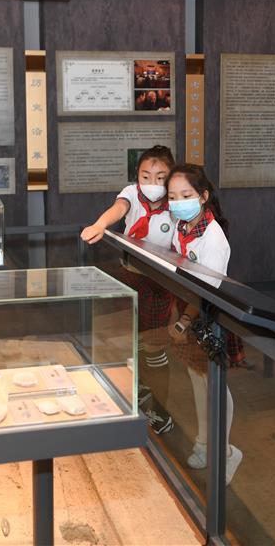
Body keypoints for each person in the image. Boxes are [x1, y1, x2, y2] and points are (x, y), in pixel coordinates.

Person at [81, 145, 177, 435]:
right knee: (134, 339)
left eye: (160, 177)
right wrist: (100, 224)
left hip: (159, 282)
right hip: (130, 275)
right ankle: (138, 390)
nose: (152, 183)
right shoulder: (132, 193)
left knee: (155, 346)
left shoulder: (176, 201)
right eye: (145, 176)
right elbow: (119, 208)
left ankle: (161, 409)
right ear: (137, 176)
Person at [165, 163, 241, 481]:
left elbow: (206, 291)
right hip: (186, 309)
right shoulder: (180, 226)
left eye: (186, 195)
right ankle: (204, 442)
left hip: (207, 316)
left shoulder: (214, 238)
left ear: (203, 196)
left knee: (215, 384)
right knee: (197, 379)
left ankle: (225, 452)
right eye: (172, 196)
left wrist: (183, 321)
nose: (178, 202)